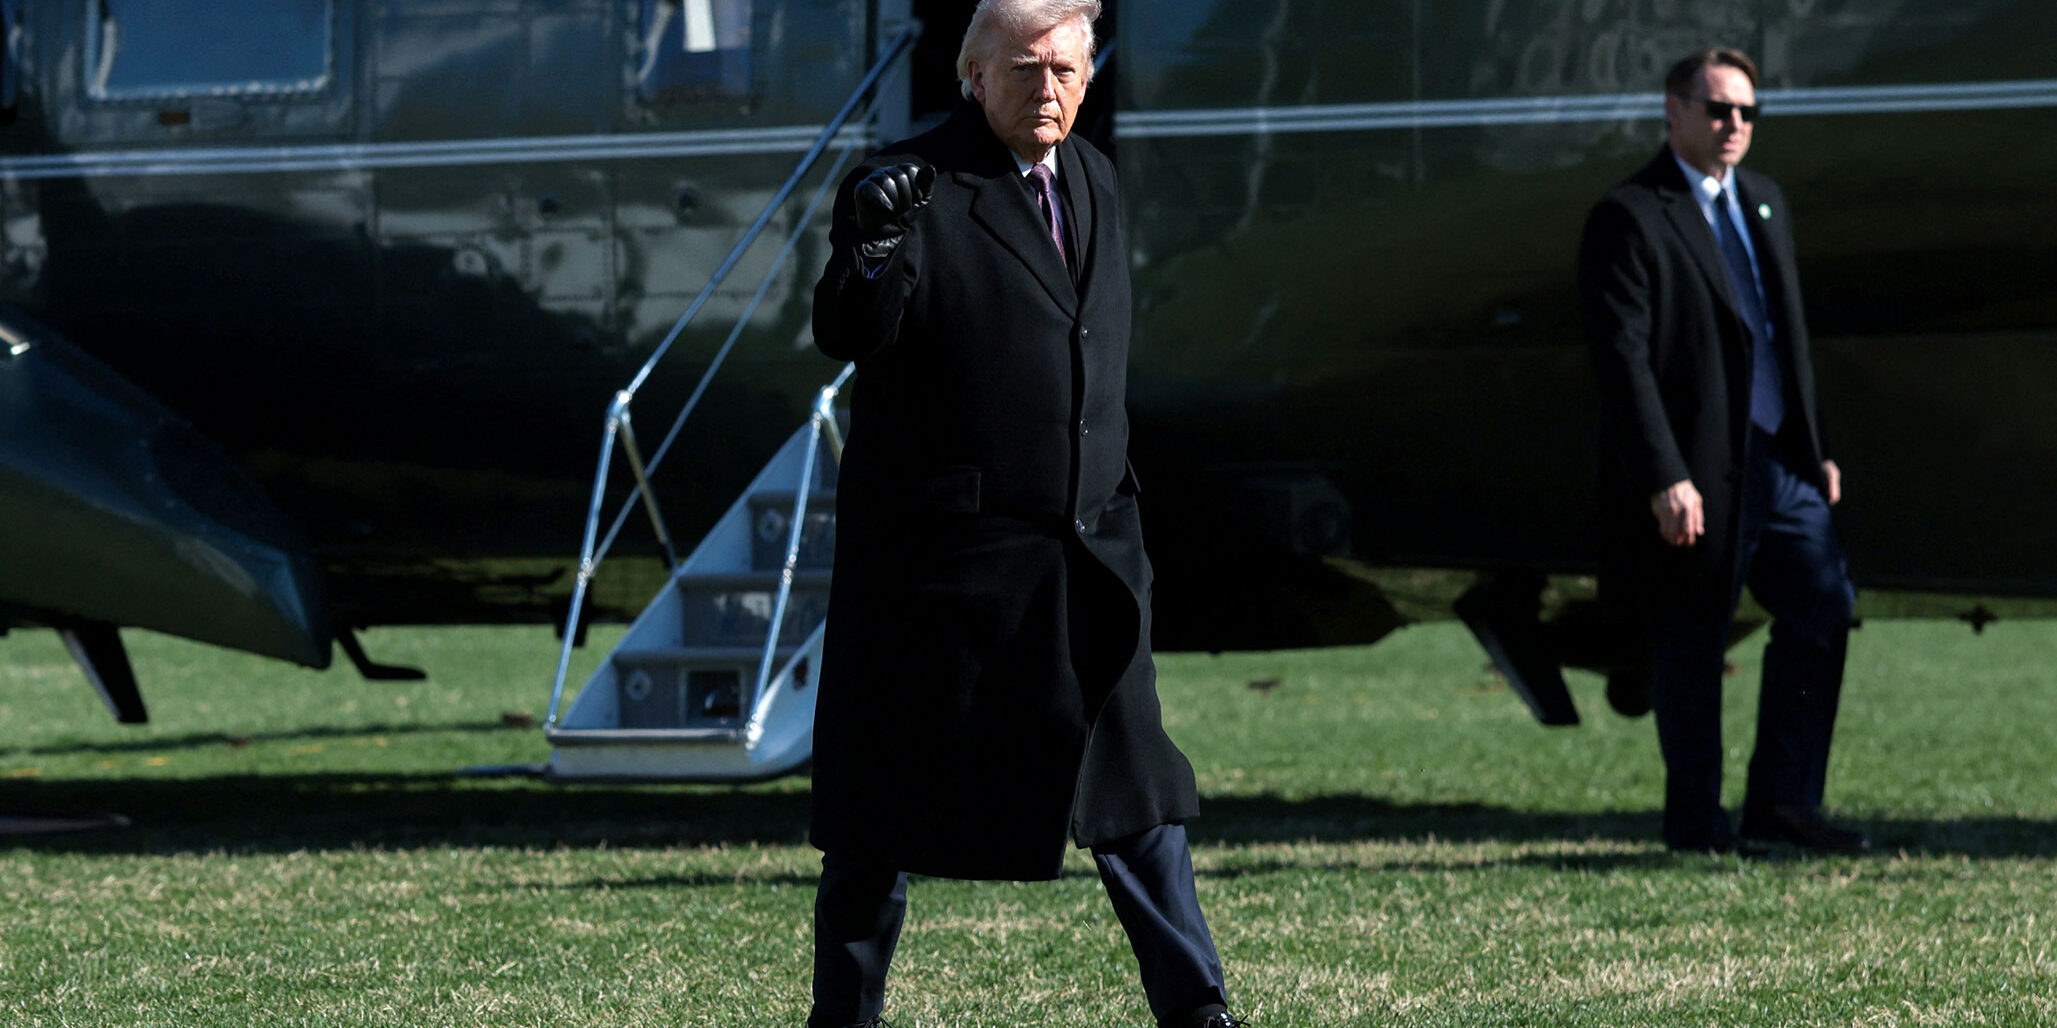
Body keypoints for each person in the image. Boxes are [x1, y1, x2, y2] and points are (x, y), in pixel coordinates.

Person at [805, 2, 1239, 1025]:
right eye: (1024, 69)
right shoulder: (907, 183)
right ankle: (842, 1016)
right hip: (943, 566)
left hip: (1086, 552)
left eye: (1066, 70)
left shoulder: (1092, 175)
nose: (1048, 89)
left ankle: (1199, 1008)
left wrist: (1115, 506)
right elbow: (847, 331)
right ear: (971, 73)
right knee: (876, 817)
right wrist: (871, 244)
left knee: (1136, 795)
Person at [1579, 47, 1868, 856]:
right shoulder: (1631, 215)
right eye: (1717, 110)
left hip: (1782, 464)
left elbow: (1785, 336)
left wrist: (1814, 447)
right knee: (1692, 638)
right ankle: (1696, 824)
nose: (1733, 124)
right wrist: (1663, 474)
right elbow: (1621, 359)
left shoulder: (1764, 201)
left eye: (1746, 111)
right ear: (1672, 111)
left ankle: (1784, 802)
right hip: (1699, 469)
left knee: (1822, 609)